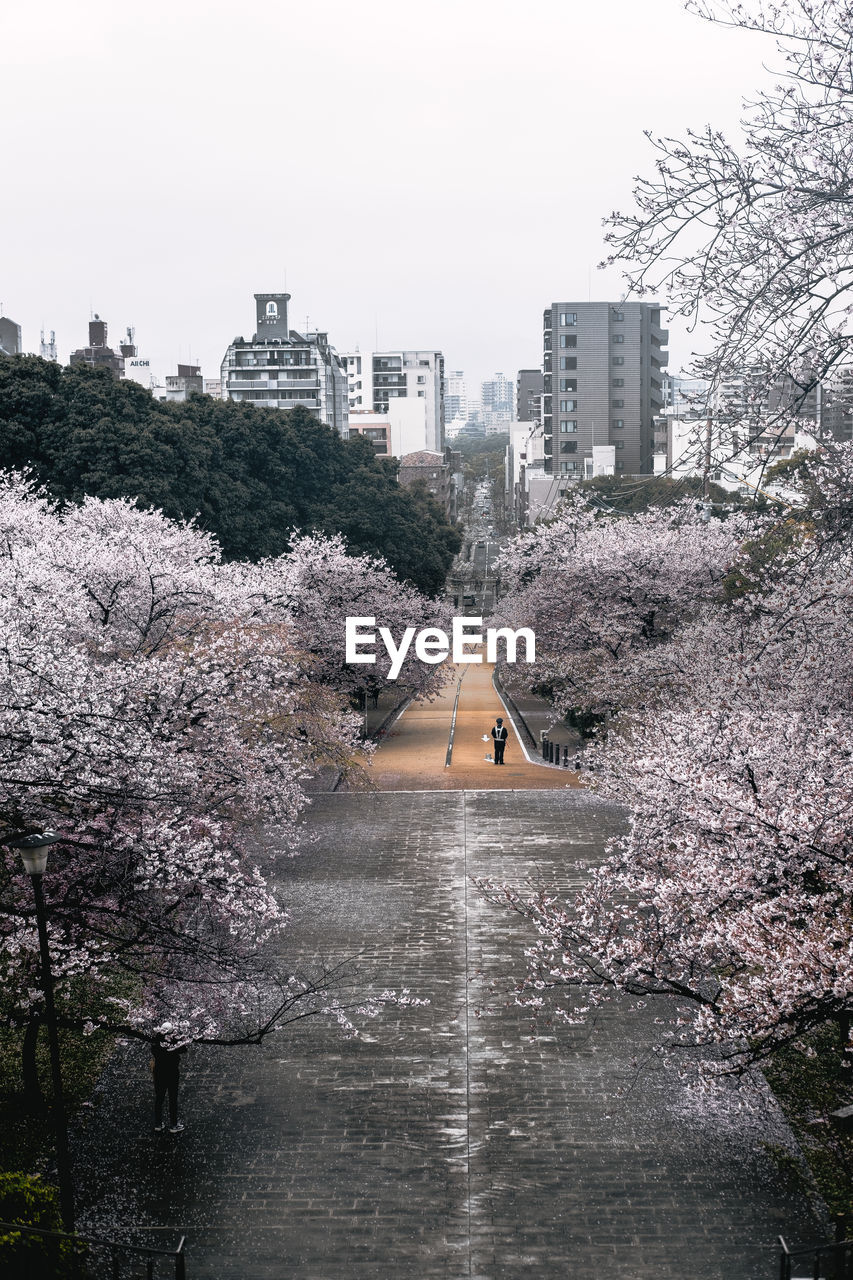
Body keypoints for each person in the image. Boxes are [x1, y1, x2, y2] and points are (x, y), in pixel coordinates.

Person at [151, 1035, 187, 1134]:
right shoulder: (173, 1043)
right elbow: (183, 1049)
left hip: (159, 1072)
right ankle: (173, 1124)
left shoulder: (156, 1043)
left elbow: (153, 1050)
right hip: (172, 1073)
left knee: (159, 1098)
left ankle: (158, 1123)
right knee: (173, 1098)